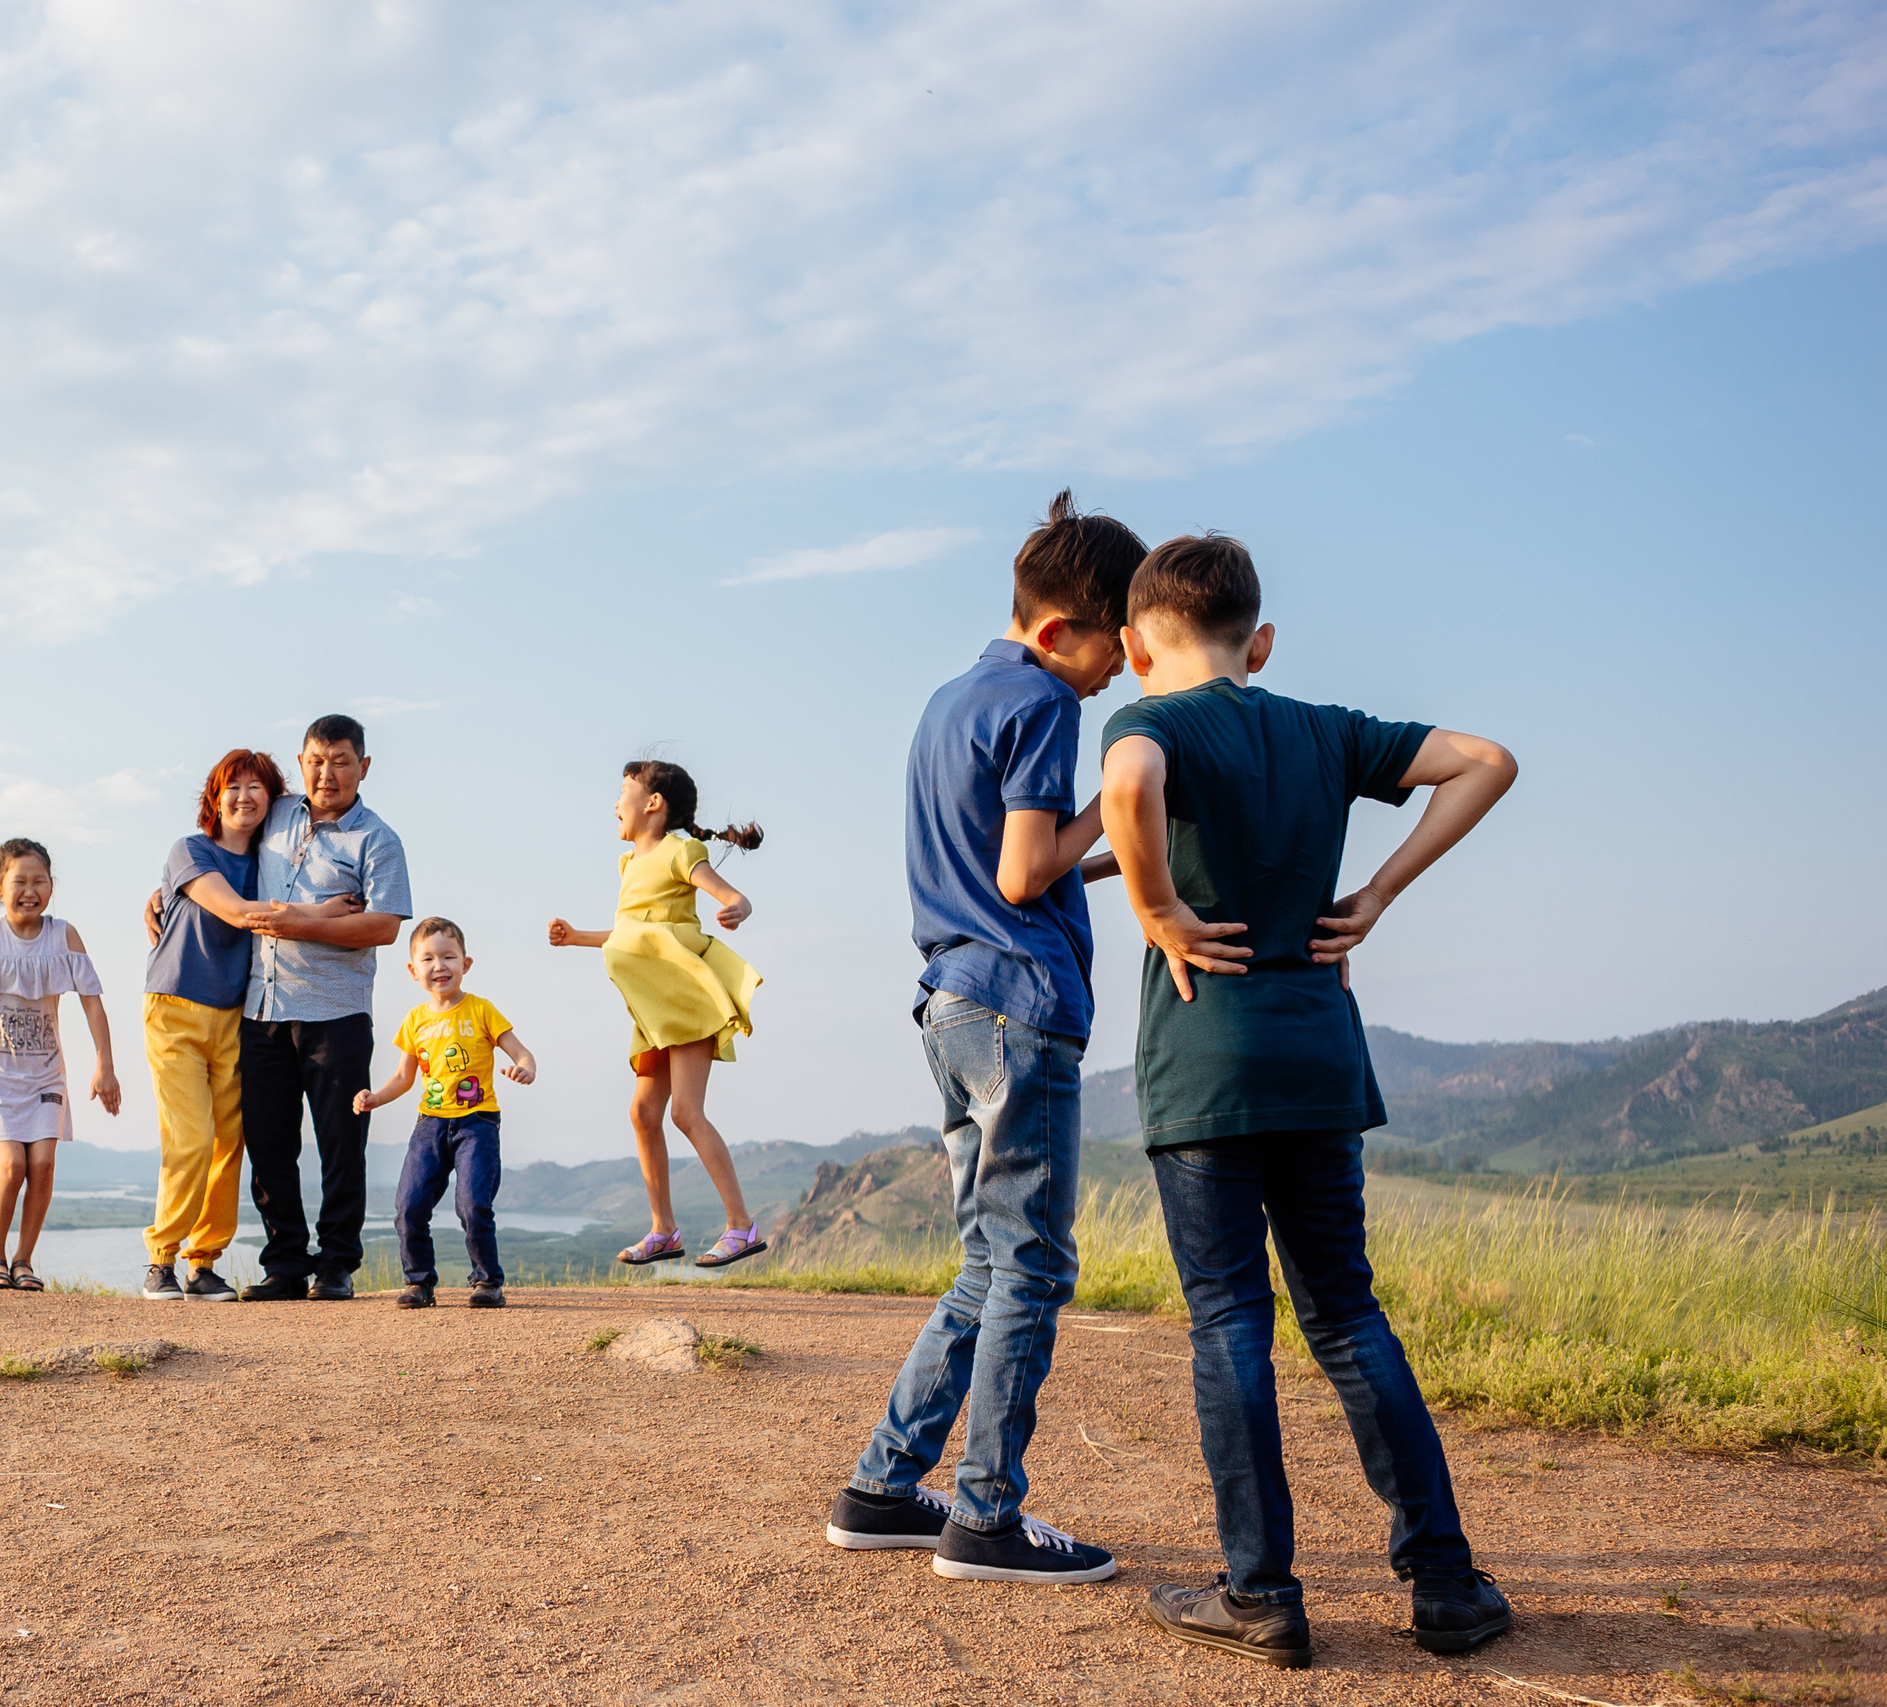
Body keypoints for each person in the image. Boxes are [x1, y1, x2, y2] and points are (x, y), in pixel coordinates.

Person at [1100, 532, 1518, 1667]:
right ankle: (1443, 1585)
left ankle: (1261, 1595)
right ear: (1261, 641)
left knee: (1231, 1320)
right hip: (1319, 1058)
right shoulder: (1326, 729)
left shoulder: (1148, 723)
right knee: (1346, 1313)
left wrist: (1153, 908)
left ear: (1135, 647)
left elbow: (1129, 785)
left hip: (1204, 1068)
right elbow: (1486, 759)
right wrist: (1375, 892)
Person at [824, 491, 1142, 1586]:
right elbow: (1022, 870)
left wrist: (1080, 852)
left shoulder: (951, 698)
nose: (1122, 672)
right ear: (1059, 633)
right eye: (1113, 647)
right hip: (1018, 1004)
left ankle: (881, 1488)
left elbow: (992, 870)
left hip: (952, 997)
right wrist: (1118, 800)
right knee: (1033, 1268)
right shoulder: (1045, 705)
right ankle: (987, 1520)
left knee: (986, 1259)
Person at [138, 749, 365, 1303]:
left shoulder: (266, 857)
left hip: (239, 1015)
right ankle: (160, 1259)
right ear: (213, 797)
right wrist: (331, 911)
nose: (243, 797)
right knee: (191, 1138)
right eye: (231, 787)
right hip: (175, 1010)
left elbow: (310, 807)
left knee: (231, 1142)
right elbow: (241, 914)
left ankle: (202, 1262)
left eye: (256, 788)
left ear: (274, 800)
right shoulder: (189, 850)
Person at [547, 760, 768, 1270]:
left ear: (653, 803)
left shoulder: (678, 850)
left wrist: (738, 907)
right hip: (652, 1011)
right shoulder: (629, 865)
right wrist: (577, 936)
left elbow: (730, 894)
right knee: (643, 1114)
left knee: (685, 1113)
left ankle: (741, 1225)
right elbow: (629, 933)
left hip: (685, 1002)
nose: (615, 803)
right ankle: (663, 1229)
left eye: (623, 790)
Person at [231, 714, 411, 1301]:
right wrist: (166, 887)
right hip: (262, 1008)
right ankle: (283, 1263)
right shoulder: (277, 812)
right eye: (315, 759)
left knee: (340, 1144)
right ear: (301, 761)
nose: (326, 772)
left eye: (339, 760)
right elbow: (220, 846)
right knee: (269, 1144)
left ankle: (336, 1264)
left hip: (336, 1013)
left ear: (364, 766)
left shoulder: (378, 840)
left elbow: (383, 926)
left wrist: (295, 924)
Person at [0, 837, 120, 1293]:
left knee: (42, 1162)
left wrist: (105, 1066)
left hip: (45, 1074)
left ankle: (23, 1261)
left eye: (39, 881)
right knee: (12, 1166)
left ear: (52, 887)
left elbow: (93, 1005)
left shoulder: (64, 936)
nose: (29, 890)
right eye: (19, 881)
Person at [355, 917, 538, 1310]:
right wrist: (375, 1098)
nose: (439, 966)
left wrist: (525, 1068)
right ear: (412, 970)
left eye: (448, 956)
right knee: (409, 1205)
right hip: (430, 1126)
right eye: (428, 958)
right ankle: (419, 1283)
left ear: (465, 964)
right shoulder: (415, 1021)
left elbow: (521, 1052)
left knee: (473, 1204)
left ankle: (487, 1282)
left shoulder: (482, 1010)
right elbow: (403, 1078)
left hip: (478, 1124)